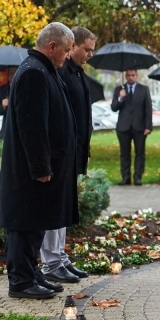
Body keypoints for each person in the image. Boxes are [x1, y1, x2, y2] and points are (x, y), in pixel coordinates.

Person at [0, 22, 79, 299]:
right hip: (29, 171)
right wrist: (41, 167)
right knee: (24, 224)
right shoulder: (34, 73)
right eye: (66, 50)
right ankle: (20, 281)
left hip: (42, 167)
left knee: (35, 222)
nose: (68, 56)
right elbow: (32, 127)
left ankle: (31, 273)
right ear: (51, 46)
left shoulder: (43, 69)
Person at [37, 26, 96, 288]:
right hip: (61, 152)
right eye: (85, 49)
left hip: (72, 149)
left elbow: (82, 116)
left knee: (64, 206)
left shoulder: (76, 73)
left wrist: (84, 146)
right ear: (71, 47)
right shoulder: (60, 72)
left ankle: (59, 256)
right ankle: (52, 261)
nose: (87, 55)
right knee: (55, 207)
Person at [111, 69, 152, 185]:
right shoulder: (119, 90)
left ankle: (138, 176)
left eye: (133, 75)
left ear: (137, 76)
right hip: (123, 126)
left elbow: (148, 109)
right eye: (128, 75)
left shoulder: (144, 89)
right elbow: (113, 107)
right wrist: (120, 98)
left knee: (140, 153)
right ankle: (125, 177)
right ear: (125, 76)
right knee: (124, 153)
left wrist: (148, 126)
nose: (130, 77)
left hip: (139, 126)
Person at [0, 66, 18, 133]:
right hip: (8, 127)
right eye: (10, 73)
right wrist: (3, 106)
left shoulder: (25, 88)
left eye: (14, 72)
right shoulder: (1, 90)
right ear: (6, 74)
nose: (12, 75)